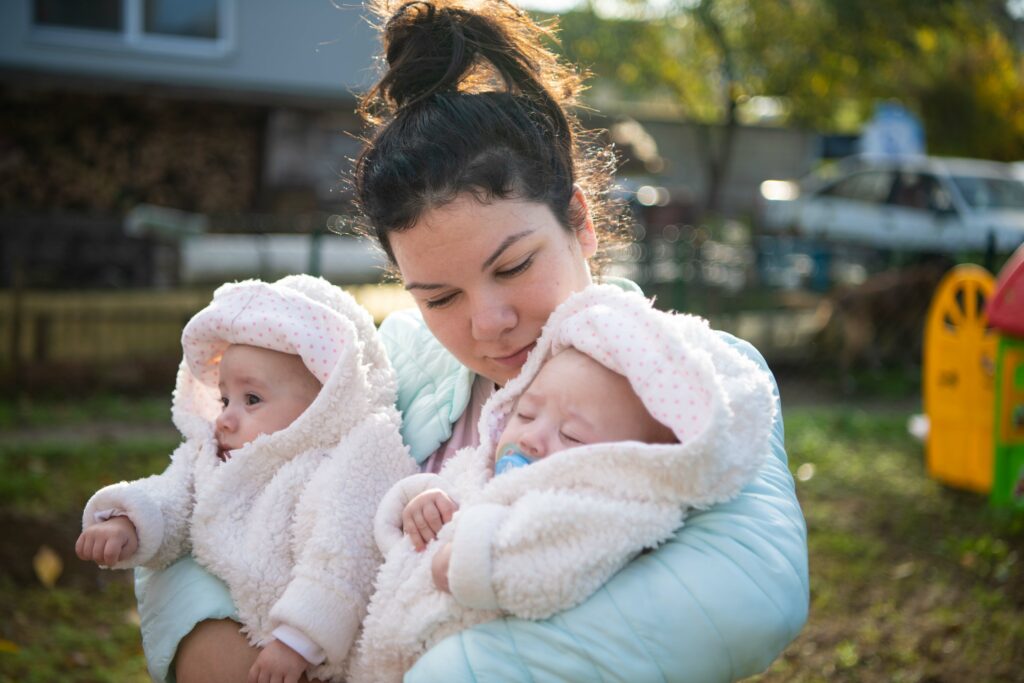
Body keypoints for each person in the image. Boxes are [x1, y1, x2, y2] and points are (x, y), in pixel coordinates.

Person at [133, 1, 808, 681]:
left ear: (578, 222)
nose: (487, 323)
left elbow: (751, 589)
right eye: (440, 297)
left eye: (513, 266)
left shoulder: (689, 375)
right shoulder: (387, 370)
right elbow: (216, 502)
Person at [348, 284, 778, 682]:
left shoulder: (603, 512)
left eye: (571, 435)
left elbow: (548, 561)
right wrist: (421, 502)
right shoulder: (483, 465)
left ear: (625, 461)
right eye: (527, 413)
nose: (531, 438)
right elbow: (415, 537)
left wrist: (469, 561)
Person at [76, 275, 415, 683]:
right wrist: (127, 521)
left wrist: (299, 639)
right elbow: (172, 494)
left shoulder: (352, 457)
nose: (225, 418)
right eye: (224, 398)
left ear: (325, 402)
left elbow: (343, 551)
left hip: (314, 653)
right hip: (243, 630)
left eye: (251, 399)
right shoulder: (217, 455)